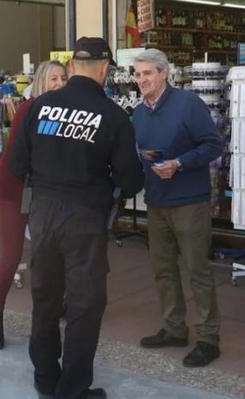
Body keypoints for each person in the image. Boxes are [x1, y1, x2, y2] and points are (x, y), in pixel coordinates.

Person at [10, 37, 144, 399]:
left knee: (46, 297)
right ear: (104, 69)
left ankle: (44, 377)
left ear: (72, 67)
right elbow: (132, 180)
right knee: (84, 305)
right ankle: (72, 389)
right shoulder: (113, 116)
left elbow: (16, 164)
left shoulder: (40, 107)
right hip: (85, 217)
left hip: (43, 213)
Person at [132, 49, 225, 368]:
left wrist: (180, 163)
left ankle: (208, 338)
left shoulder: (188, 104)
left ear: (164, 73)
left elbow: (214, 144)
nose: (141, 79)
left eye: (147, 73)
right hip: (156, 202)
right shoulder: (139, 112)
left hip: (189, 202)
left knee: (197, 270)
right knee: (163, 270)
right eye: (137, 74)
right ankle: (174, 329)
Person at [0, 60, 68, 349]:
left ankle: (52, 307)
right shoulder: (29, 108)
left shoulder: (64, 112)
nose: (59, 84)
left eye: (63, 78)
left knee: (48, 255)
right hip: (13, 191)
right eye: (53, 79)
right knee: (10, 260)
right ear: (41, 82)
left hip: (42, 193)